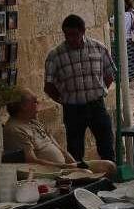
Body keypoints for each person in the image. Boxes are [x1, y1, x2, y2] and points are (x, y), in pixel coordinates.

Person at [44, 14, 117, 162]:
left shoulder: (99, 48)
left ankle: (109, 176)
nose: (70, 38)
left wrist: (99, 90)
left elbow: (109, 75)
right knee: (75, 150)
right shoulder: (55, 55)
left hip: (96, 105)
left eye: (74, 34)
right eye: (67, 35)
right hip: (73, 109)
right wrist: (64, 99)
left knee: (106, 145)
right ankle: (79, 178)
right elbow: (49, 85)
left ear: (83, 31)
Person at [4, 88, 116, 176]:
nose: (38, 102)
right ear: (23, 106)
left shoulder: (33, 121)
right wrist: (65, 167)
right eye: (34, 101)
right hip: (49, 172)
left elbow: (59, 148)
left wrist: (75, 164)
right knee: (88, 174)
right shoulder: (15, 129)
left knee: (109, 166)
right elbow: (32, 161)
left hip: (64, 167)